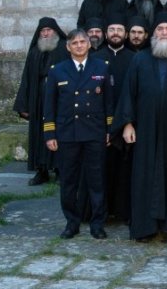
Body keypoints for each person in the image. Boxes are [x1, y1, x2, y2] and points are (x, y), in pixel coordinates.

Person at [115, 11, 167, 243]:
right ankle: (145, 227)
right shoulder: (140, 59)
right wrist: (128, 124)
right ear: (153, 33)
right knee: (145, 175)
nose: (164, 33)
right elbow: (128, 93)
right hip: (146, 129)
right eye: (160, 29)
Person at [43, 29, 114, 239]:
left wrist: (109, 130)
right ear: (68, 47)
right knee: (68, 181)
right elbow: (49, 106)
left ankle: (97, 223)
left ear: (89, 45)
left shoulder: (101, 67)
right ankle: (71, 223)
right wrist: (50, 134)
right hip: (67, 133)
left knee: (96, 180)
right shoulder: (57, 71)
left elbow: (109, 103)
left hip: (94, 132)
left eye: (83, 42)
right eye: (75, 43)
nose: (79, 45)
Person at [13, 17, 69, 185]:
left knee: (58, 133)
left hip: (59, 99)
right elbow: (27, 79)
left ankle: (60, 170)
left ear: (55, 31)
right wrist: (23, 104)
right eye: (42, 31)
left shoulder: (64, 49)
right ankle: (41, 170)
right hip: (38, 99)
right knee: (39, 134)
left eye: (48, 30)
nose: (45, 33)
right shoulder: (34, 52)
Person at [92, 14, 136, 222]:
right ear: (106, 34)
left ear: (125, 34)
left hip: (128, 122)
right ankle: (102, 211)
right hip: (101, 123)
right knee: (102, 169)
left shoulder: (135, 58)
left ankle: (125, 210)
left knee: (126, 169)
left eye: (119, 30)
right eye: (112, 30)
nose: (116, 33)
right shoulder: (96, 58)